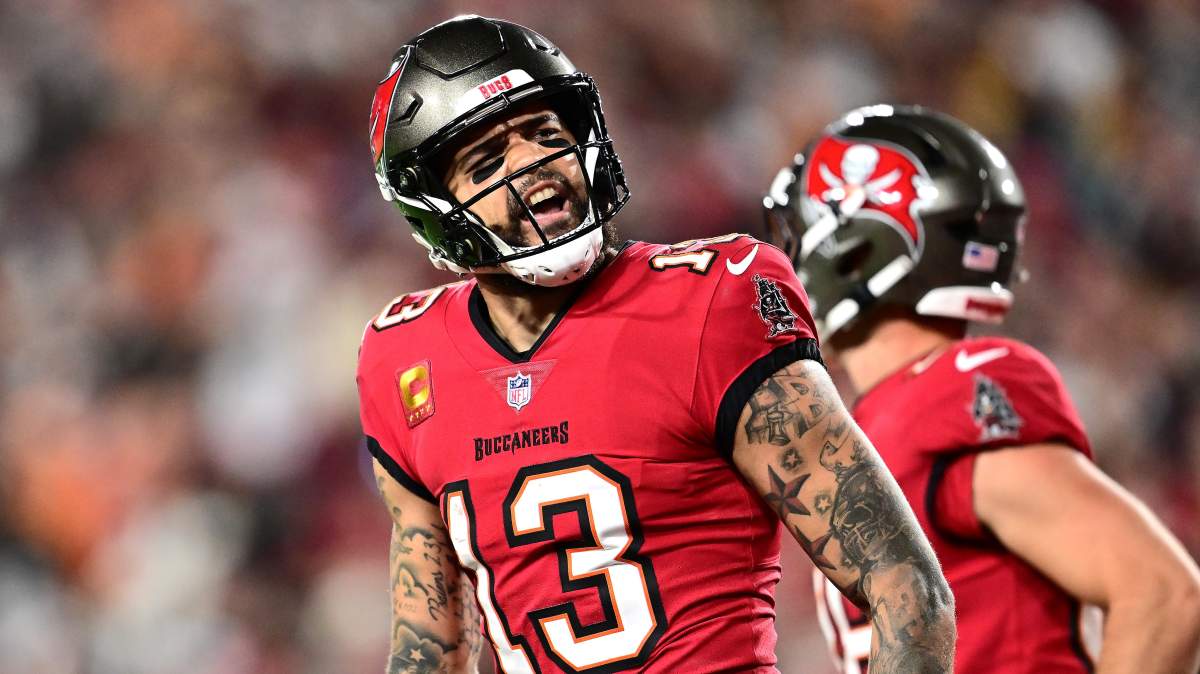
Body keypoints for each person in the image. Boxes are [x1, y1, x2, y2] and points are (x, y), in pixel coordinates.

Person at [358, 16, 955, 674]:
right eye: (488, 163)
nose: (532, 163)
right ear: (435, 209)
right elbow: (428, 652)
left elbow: (906, 590)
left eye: (546, 134)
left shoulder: (710, 301)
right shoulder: (403, 357)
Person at [763, 104, 1200, 674]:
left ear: (855, 250)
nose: (786, 270)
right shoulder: (884, 416)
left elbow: (1162, 594)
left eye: (798, 241)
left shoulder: (944, 397)